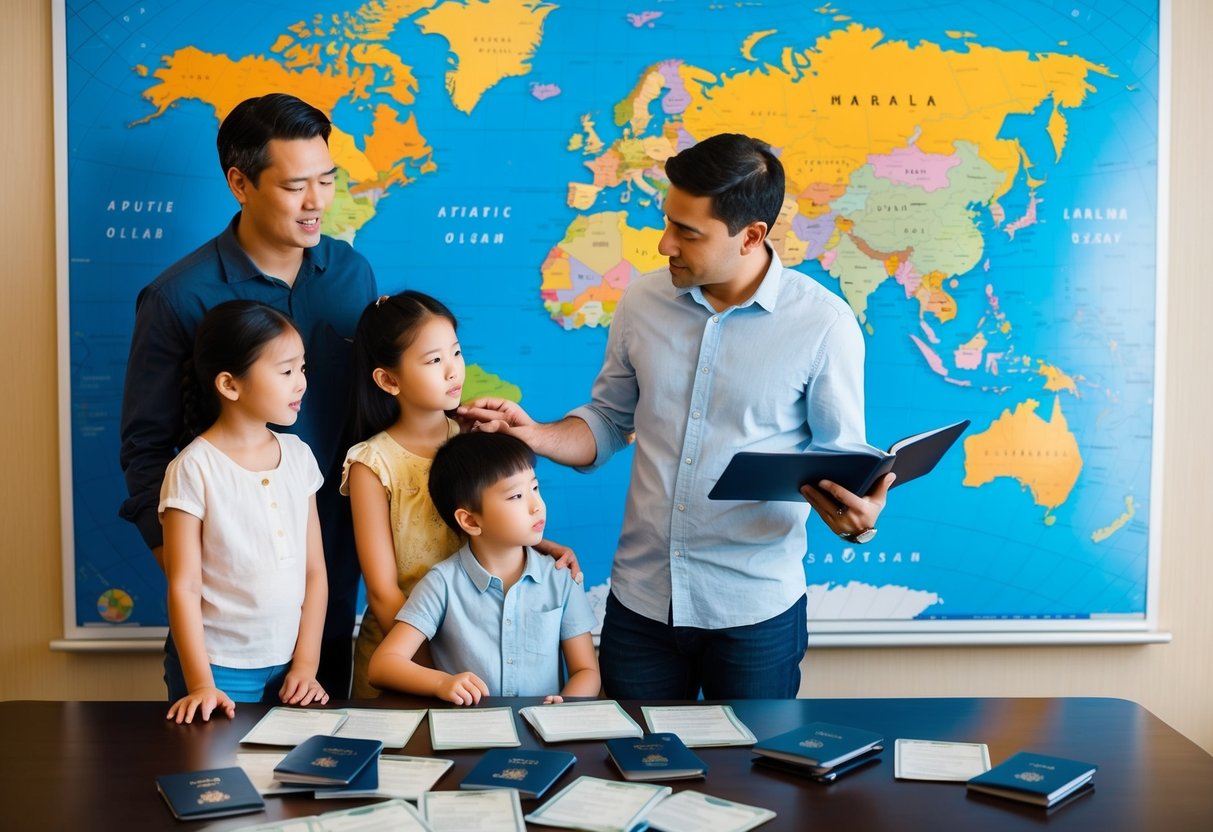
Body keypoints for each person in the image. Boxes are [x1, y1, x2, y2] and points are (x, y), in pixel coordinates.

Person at [460, 133, 893, 700]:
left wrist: (858, 520)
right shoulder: (641, 303)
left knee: (751, 780)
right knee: (629, 773)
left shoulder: (824, 326)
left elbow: (842, 468)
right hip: (641, 606)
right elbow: (609, 421)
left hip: (754, 613)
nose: (665, 244)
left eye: (687, 233)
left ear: (752, 236)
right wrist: (534, 434)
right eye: (669, 222)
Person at [119, 93, 376, 699]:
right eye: (294, 187)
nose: (317, 203)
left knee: (319, 782)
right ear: (240, 183)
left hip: (332, 595)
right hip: (226, 628)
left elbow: (371, 417)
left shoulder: (352, 274)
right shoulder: (178, 298)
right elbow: (145, 450)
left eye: (326, 180)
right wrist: (203, 581)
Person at [343, 291, 582, 699]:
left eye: (456, 352)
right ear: (388, 379)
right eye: (435, 360)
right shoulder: (372, 463)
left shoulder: (473, 436)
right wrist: (431, 670)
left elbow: (490, 519)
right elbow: (383, 591)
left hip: (473, 648)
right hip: (407, 658)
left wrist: (545, 546)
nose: (454, 370)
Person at [161, 300, 328, 723]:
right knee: (225, 783)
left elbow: (315, 573)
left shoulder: (299, 456)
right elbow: (184, 587)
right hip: (220, 672)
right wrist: (201, 684)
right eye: (286, 371)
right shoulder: (193, 469)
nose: (301, 384)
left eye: (302, 369)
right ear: (230, 385)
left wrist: (306, 667)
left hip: (292, 668)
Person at [368, 431, 600, 704]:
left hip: (543, 736)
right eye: (516, 496)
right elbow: (382, 666)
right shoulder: (442, 583)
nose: (537, 506)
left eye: (535, 488)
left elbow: (586, 671)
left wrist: (565, 705)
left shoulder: (560, 577)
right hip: (468, 737)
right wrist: (441, 683)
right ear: (470, 521)